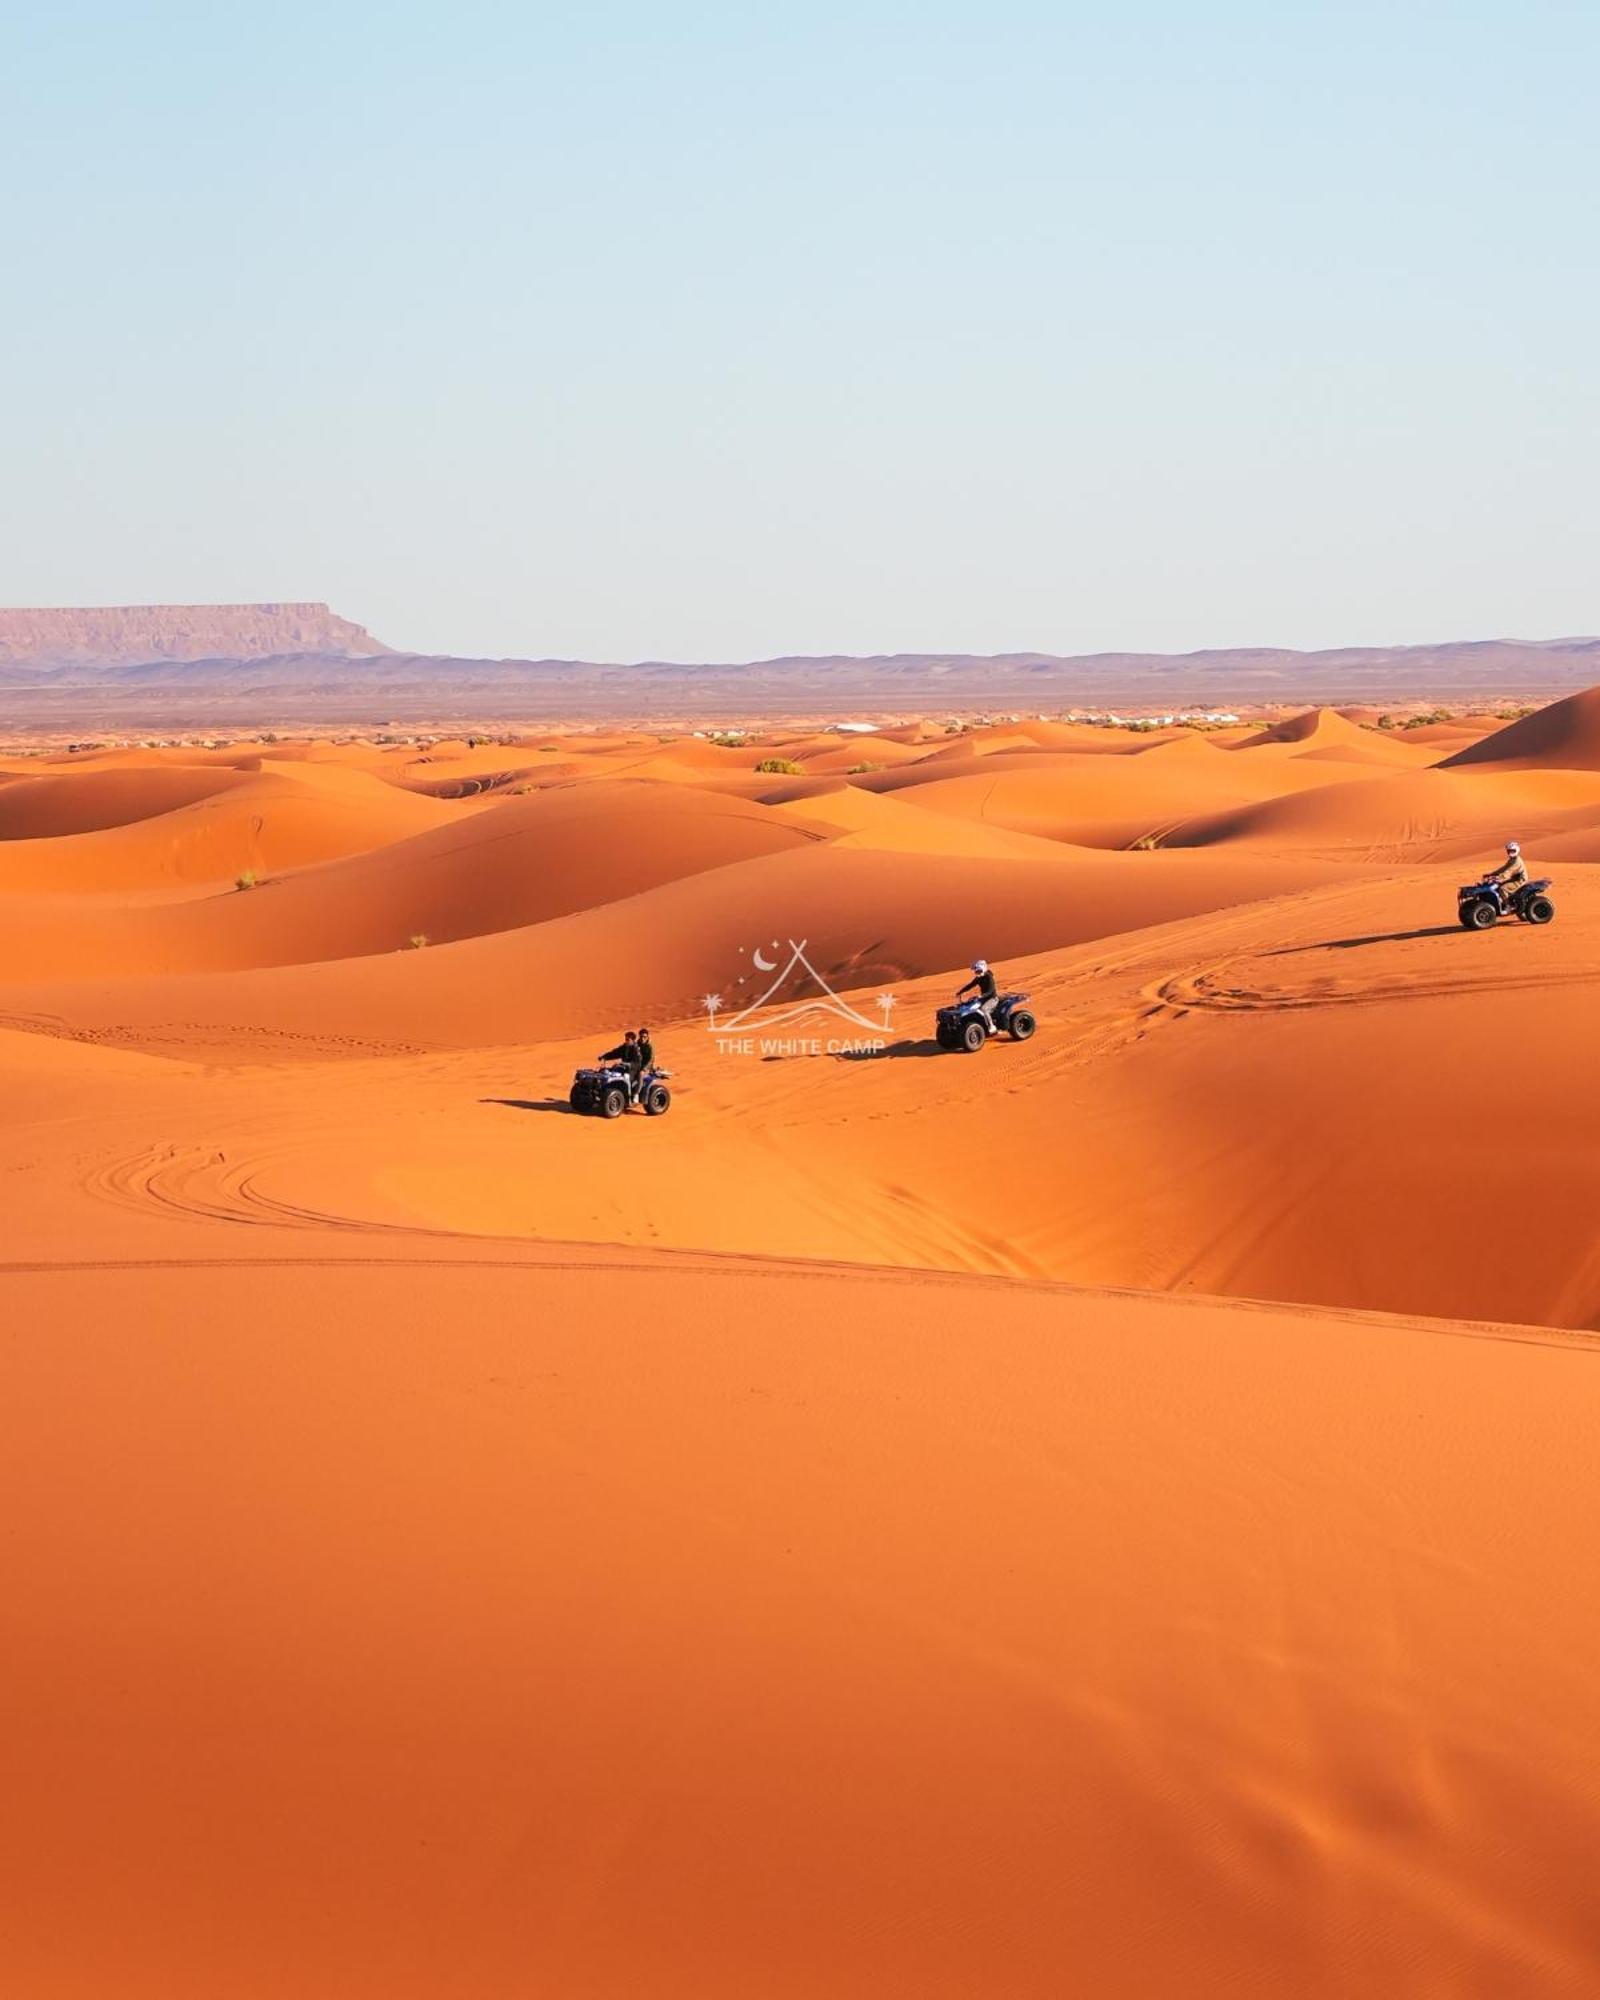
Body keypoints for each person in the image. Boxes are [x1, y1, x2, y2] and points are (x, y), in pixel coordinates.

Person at [1485, 840, 1530, 910]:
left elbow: (1508, 872)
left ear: (1516, 850)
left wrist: (1497, 878)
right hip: (1514, 879)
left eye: (1512, 850)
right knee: (1497, 886)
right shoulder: (1512, 859)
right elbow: (1504, 868)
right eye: (1509, 851)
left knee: (1503, 889)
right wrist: (1492, 874)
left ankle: (1508, 905)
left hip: (1519, 880)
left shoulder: (1517, 861)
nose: (1510, 852)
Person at [599, 1030, 644, 1098]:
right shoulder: (624, 1047)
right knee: (609, 1072)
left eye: (627, 1039)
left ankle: (631, 1095)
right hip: (624, 1068)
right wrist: (604, 1057)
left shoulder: (636, 1050)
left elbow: (637, 1063)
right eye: (625, 1039)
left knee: (626, 1077)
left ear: (633, 1040)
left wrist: (625, 1064)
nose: (626, 1041)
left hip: (633, 1070)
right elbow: (615, 1053)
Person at [957, 958, 999, 1027]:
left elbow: (990, 991)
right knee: (971, 1007)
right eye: (976, 972)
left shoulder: (989, 977)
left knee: (984, 1009)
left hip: (992, 999)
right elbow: (970, 985)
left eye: (979, 971)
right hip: (983, 998)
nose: (977, 973)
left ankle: (991, 1026)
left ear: (983, 969)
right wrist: (960, 992)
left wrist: (981, 996)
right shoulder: (979, 978)